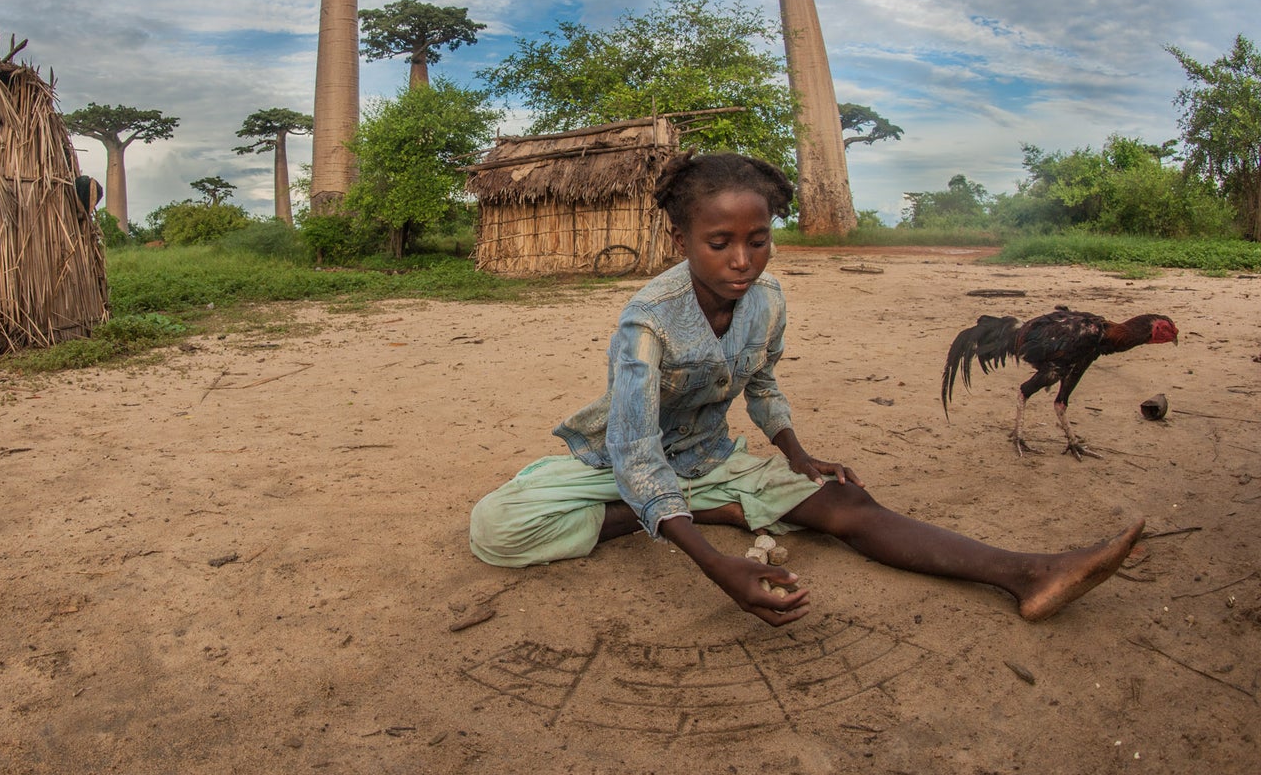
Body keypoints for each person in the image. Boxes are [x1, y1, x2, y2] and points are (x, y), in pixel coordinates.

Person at [469, 152, 1143, 626]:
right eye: (719, 243)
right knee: (496, 528)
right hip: (618, 462)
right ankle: (699, 514)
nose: (742, 261)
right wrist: (716, 566)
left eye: (758, 240)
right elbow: (637, 451)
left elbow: (761, 381)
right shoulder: (646, 322)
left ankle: (1027, 574)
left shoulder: (766, 300)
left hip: (707, 460)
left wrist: (796, 453)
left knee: (845, 500)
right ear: (680, 240)